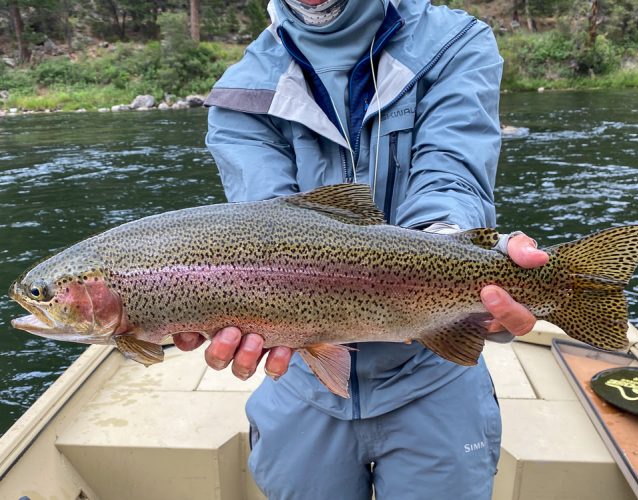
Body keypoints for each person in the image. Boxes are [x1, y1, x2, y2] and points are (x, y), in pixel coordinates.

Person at [174, 0, 549, 498]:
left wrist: (460, 267)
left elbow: (451, 175)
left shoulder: (454, 44)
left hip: (434, 375)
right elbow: (269, 236)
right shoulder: (242, 93)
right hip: (302, 377)